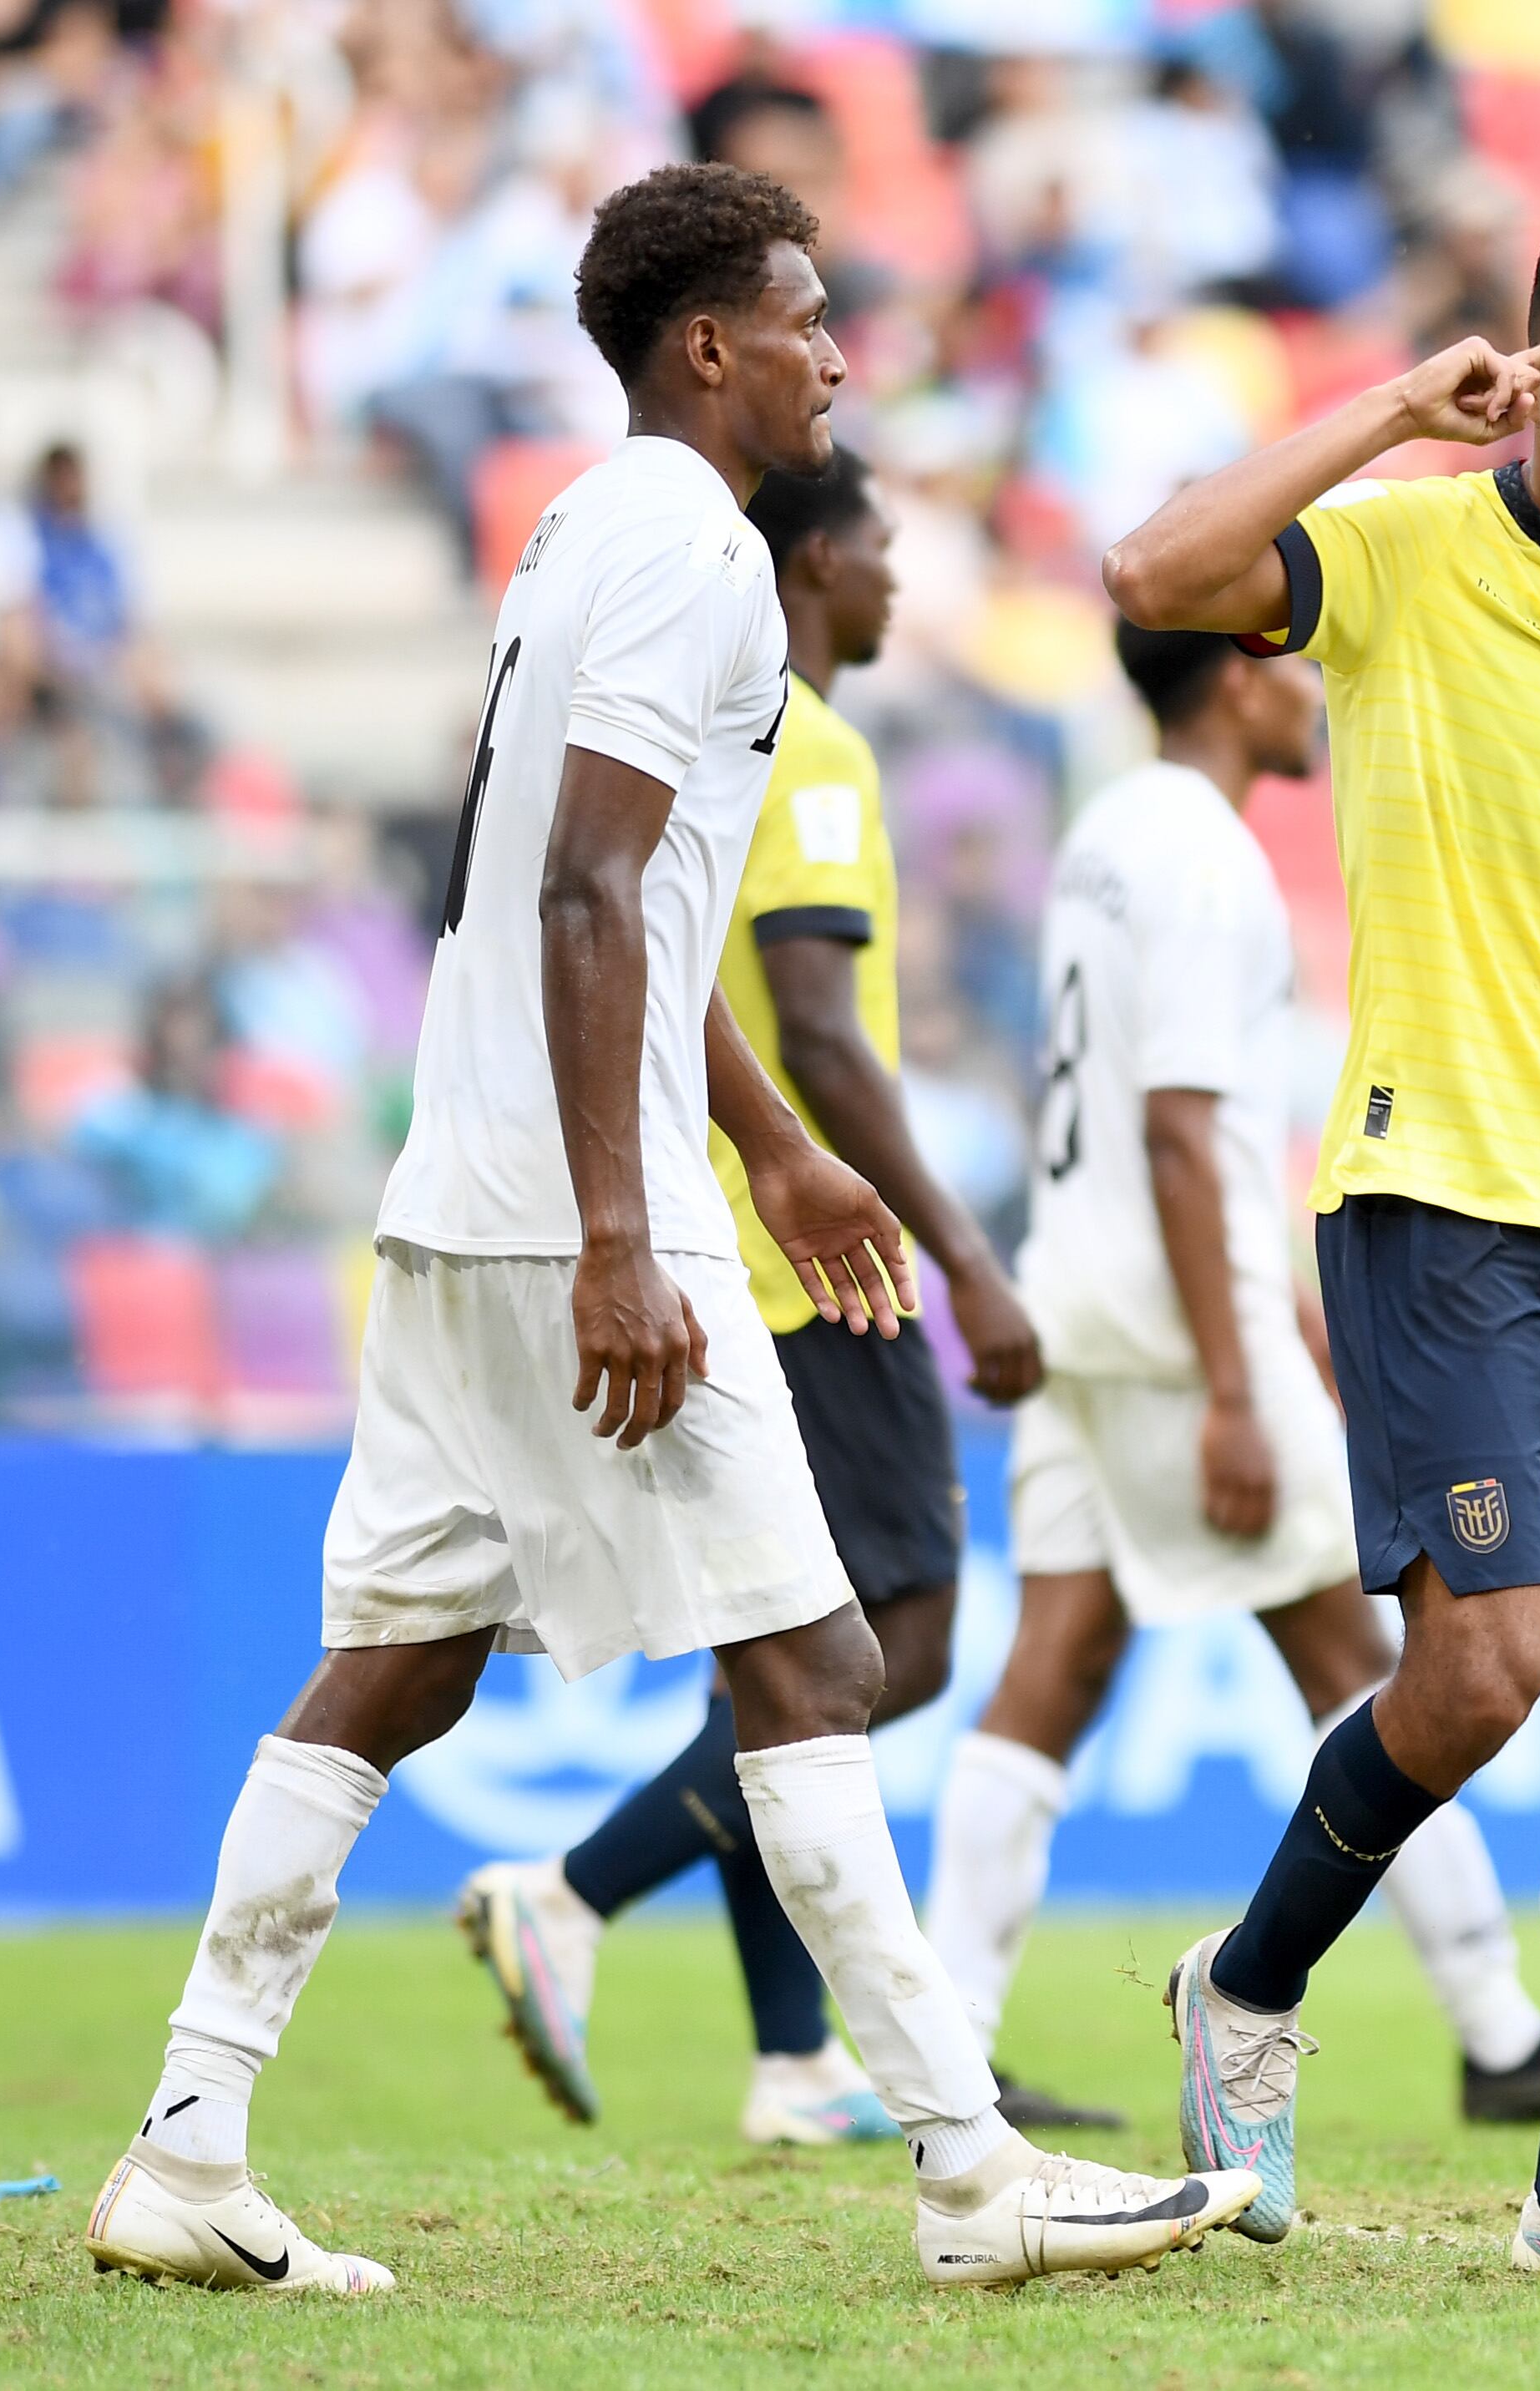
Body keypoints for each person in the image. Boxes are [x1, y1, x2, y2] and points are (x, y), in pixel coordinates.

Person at [80, 163, 1247, 2297]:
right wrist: (633, 1232)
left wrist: (784, 1148)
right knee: (818, 1660)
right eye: (807, 317)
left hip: (476, 1183)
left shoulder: (588, 525)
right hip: (569, 1212)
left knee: (401, 1661)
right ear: (706, 342)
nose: (834, 353)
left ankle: (186, 2138)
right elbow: (583, 891)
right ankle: (974, 2167)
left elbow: (623, 876)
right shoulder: (701, 548)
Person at [1098, 203, 1540, 2275]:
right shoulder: (1403, 547)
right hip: (1435, 1192)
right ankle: (1247, 1984)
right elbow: (1152, 572)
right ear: (1531, 361)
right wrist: (1397, 408)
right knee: (1480, 1668)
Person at [919, 619, 1540, 2127]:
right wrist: (1235, 1374)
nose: (1312, 688)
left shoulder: (1105, 833)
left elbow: (1159, 1125)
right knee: (1401, 1670)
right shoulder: (1212, 860)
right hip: (1168, 1324)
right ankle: (1496, 2033)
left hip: (1082, 1283)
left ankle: (946, 2050)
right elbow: (1180, 1126)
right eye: (1291, 663)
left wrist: (1280, 1307)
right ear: (1235, 678)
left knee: (1052, 1672)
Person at [450, 443, 1055, 2152]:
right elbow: (828, 1036)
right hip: (797, 1266)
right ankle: (570, 1890)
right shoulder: (818, 740)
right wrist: (965, 1260)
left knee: (780, 1655)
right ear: (808, 564)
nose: (894, 579)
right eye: (874, 546)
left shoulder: (700, 726)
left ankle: (796, 2058)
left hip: (705, 1233)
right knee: (897, 1638)